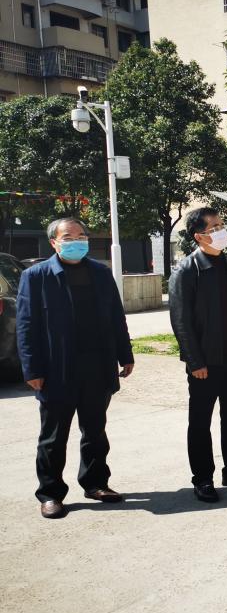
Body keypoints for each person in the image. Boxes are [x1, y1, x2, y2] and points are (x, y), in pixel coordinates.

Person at [16, 217, 134, 519]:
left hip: (97, 365)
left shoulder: (100, 273)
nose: (77, 241)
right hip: (56, 369)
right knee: (53, 437)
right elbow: (26, 326)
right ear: (54, 242)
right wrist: (32, 370)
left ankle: (96, 484)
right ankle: (50, 494)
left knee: (95, 431)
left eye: (81, 236)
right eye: (68, 237)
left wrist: (126, 354)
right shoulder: (36, 276)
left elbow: (116, 316)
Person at [169, 207, 227, 503]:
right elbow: (181, 321)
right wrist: (194, 361)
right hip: (206, 363)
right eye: (214, 227)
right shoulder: (187, 270)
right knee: (200, 423)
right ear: (199, 236)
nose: (222, 231)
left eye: (222, 225)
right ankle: (202, 479)